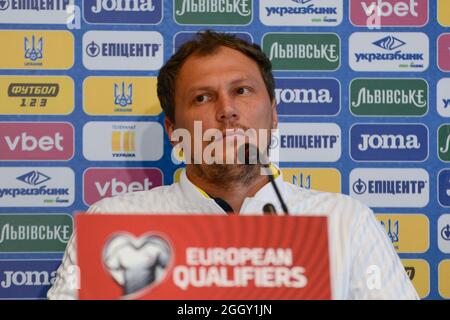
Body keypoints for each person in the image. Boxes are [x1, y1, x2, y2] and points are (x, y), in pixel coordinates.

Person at [47, 30, 418, 300]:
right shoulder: (113, 222)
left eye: (242, 90)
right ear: (173, 129)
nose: (226, 111)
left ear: (273, 115)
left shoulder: (345, 220)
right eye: (202, 97)